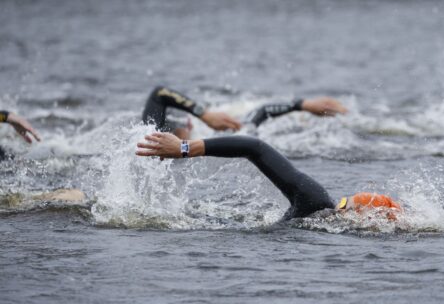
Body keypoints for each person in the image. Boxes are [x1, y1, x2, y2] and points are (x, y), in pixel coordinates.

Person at [136, 132, 402, 220]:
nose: (342, 205)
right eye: (346, 204)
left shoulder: (323, 217)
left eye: (347, 205)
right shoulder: (314, 199)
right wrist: (183, 148)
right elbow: (254, 147)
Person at [142, 85, 348, 139]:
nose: (185, 128)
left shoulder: (216, 131)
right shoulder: (148, 138)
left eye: (185, 125)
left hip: (209, 119)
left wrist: (204, 114)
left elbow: (160, 92)